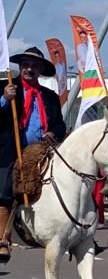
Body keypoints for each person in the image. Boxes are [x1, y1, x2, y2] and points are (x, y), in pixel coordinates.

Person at [0, 47, 68, 263]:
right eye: (26, 65)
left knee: (69, 180)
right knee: (5, 190)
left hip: (44, 150)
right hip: (12, 151)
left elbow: (59, 123)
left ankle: (79, 231)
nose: (29, 69)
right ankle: (3, 239)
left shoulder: (49, 96)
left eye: (34, 66)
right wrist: (3, 100)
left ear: (40, 70)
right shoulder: (7, 87)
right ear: (20, 67)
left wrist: (53, 132)